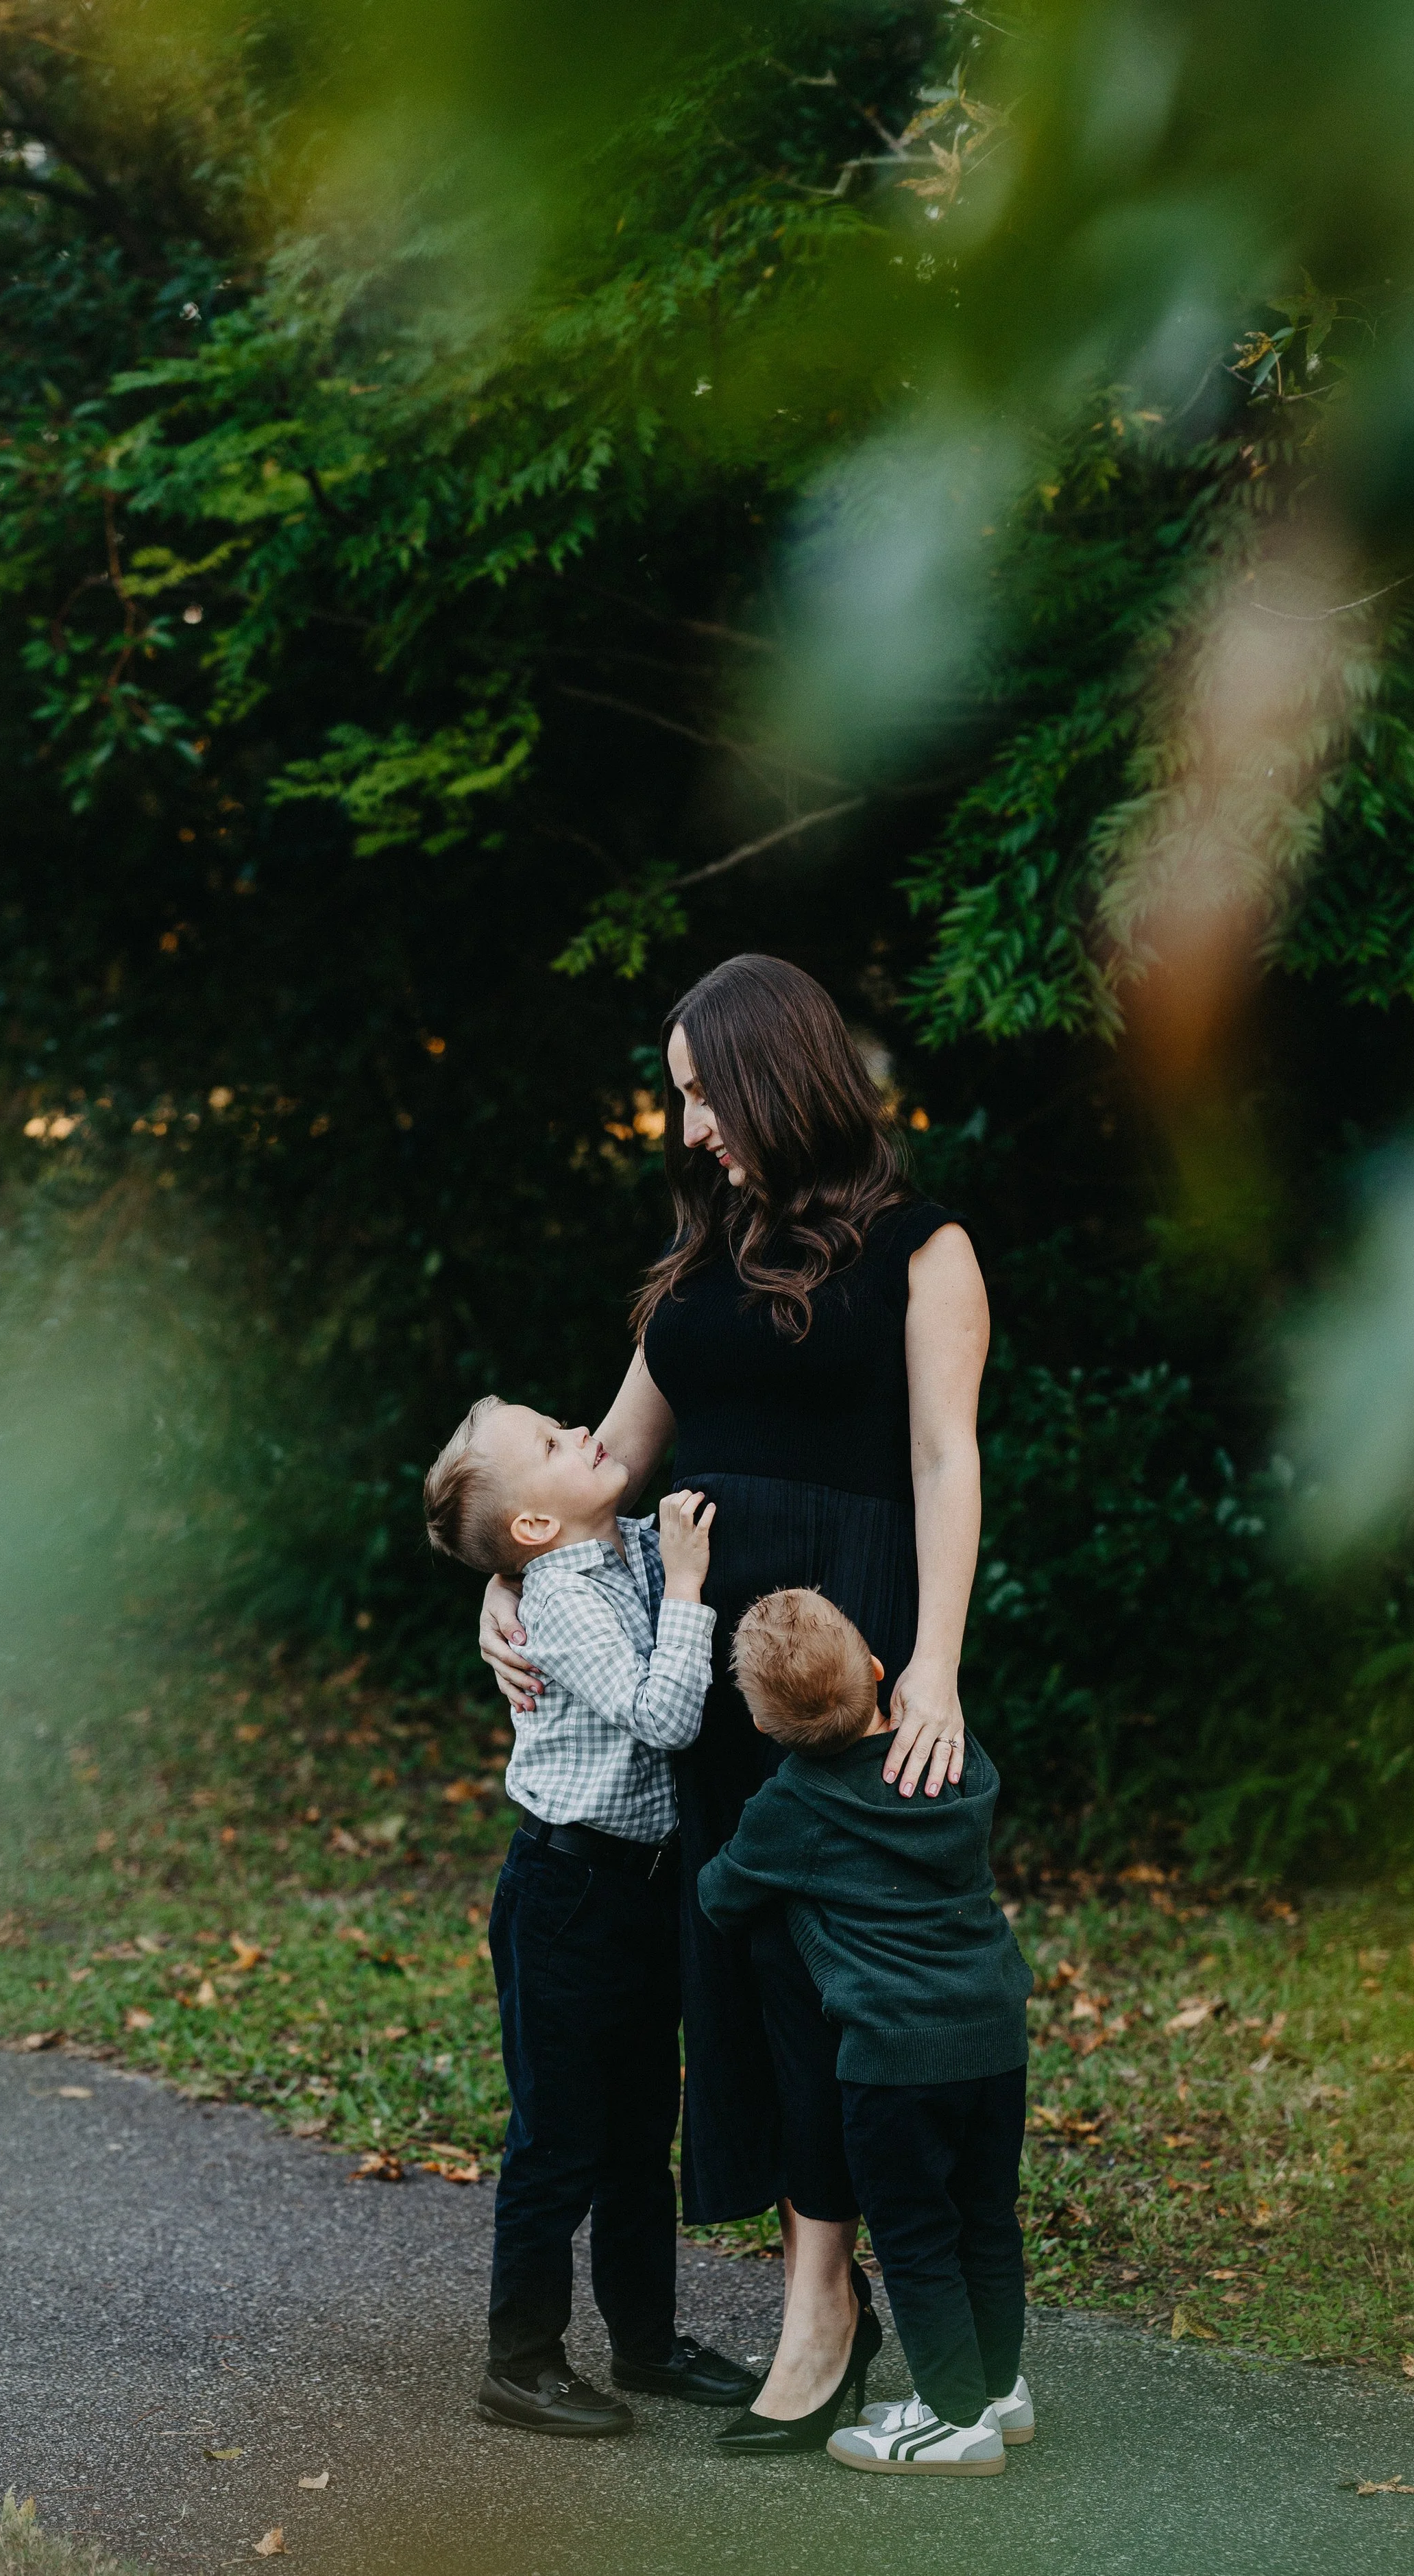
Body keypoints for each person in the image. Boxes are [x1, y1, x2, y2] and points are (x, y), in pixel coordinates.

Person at [480, 953, 989, 2452]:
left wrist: (936, 1665)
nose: (692, 1127)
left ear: (777, 1071)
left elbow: (945, 1461)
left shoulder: (924, 1247)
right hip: (701, 1675)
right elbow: (598, 1468)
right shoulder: (703, 1263)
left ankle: (824, 2310)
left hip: (845, 1665)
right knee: (744, 1985)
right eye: (683, 1100)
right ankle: (817, 2297)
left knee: (832, 1984)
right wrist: (499, 1591)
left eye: (705, 1092)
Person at [423, 1396, 757, 2435]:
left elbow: (656, 1555)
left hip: (642, 1891)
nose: (580, 1430)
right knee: (560, 2137)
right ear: (534, 1524)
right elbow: (664, 1717)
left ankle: (645, 2342)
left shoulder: (622, 1548)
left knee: (639, 2134)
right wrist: (691, 1588)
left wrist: (664, 1563)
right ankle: (520, 2362)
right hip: (566, 1896)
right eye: (552, 1441)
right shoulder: (564, 1598)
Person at [699, 1587, 1034, 2476]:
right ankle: (996, 2388)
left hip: (895, 2058)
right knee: (986, 2219)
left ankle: (953, 2420)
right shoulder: (955, 1758)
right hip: (995, 2034)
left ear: (765, 1728)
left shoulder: (796, 1802)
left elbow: (721, 1894)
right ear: (881, 1671)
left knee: (917, 2238)